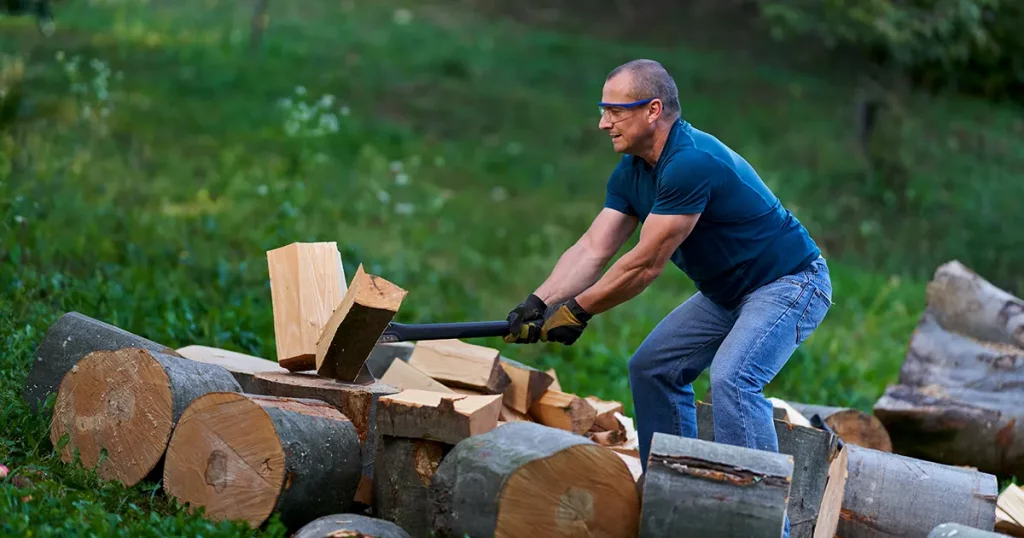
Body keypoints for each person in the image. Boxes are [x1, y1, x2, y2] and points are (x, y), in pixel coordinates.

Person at [504, 59, 832, 538]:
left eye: (614, 111)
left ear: (653, 110)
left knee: (734, 380)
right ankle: (677, 511)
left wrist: (578, 310)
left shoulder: (690, 162)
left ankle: (767, 530)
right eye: (603, 110)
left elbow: (644, 265)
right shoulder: (632, 172)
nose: (602, 123)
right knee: (652, 368)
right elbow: (595, 247)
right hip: (729, 293)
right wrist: (540, 300)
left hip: (791, 283)